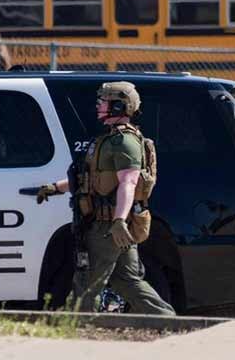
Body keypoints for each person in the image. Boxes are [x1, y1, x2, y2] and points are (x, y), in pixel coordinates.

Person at [33, 81, 175, 315]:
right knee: (127, 280)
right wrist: (54, 188)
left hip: (108, 227)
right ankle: (168, 320)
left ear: (119, 106)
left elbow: (129, 182)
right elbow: (93, 180)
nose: (99, 106)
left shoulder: (124, 142)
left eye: (104, 102)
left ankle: (80, 330)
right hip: (111, 225)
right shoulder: (111, 140)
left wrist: (118, 221)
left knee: (87, 283)